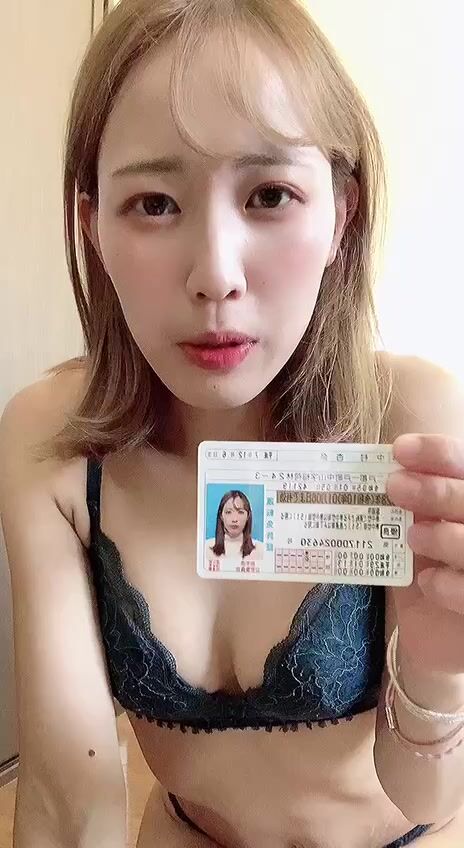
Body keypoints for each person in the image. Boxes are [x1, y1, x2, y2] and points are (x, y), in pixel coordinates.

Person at [1, 1, 464, 847]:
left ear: (342, 214)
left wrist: (436, 667)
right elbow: (69, 803)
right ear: (91, 225)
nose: (215, 275)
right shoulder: (53, 443)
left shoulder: (409, 422)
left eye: (270, 194)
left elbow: (430, 790)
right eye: (152, 203)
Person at [205, 489, 264, 561]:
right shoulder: (206, 548)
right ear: (221, 516)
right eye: (228, 512)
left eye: (240, 512)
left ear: (248, 516)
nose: (234, 519)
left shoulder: (260, 550)